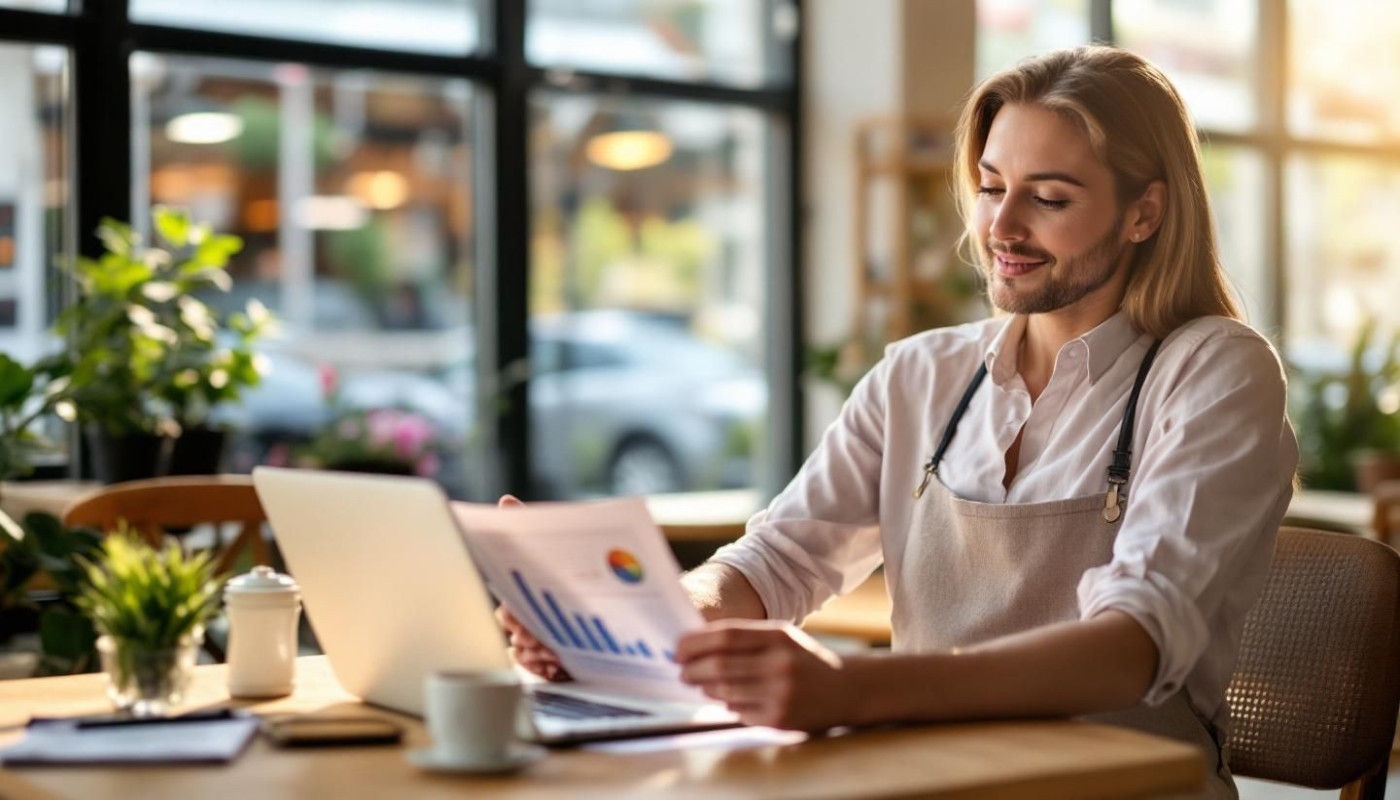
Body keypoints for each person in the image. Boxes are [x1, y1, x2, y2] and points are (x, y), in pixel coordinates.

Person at [499, 46, 1296, 799]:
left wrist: (851, 688)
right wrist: (630, 626)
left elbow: (1134, 645)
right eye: (990, 188)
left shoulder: (1215, 371)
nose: (1001, 229)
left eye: (1049, 198)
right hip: (936, 775)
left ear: (1143, 214)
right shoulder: (922, 373)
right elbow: (778, 559)